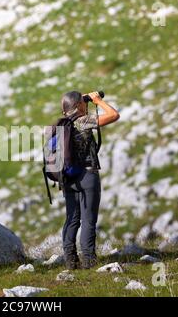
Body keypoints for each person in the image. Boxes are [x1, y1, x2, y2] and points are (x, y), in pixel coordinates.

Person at [60, 91, 119, 269]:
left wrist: (83, 101)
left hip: (67, 178)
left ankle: (70, 261)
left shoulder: (62, 124)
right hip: (87, 176)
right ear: (78, 105)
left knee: (72, 219)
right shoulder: (82, 121)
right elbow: (114, 115)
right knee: (88, 220)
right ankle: (89, 261)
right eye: (82, 103)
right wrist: (97, 100)